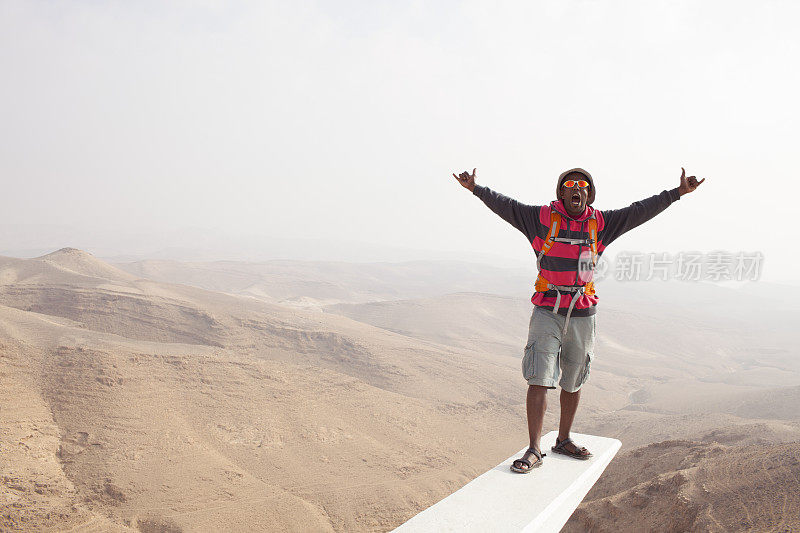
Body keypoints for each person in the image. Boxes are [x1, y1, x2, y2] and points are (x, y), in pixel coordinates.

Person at [452, 166, 704, 473]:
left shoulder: (601, 224)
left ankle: (563, 439)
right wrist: (476, 189)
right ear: (561, 192)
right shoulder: (540, 219)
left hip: (583, 313)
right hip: (548, 310)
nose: (577, 188)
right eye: (570, 185)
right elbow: (507, 206)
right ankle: (534, 449)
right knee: (539, 377)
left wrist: (677, 193)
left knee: (574, 378)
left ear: (589, 194)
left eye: (584, 185)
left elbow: (639, 211)